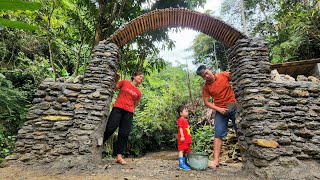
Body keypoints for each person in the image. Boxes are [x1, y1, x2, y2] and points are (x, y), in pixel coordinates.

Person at [196, 65, 237, 169]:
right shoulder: (206, 87)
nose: (206, 76)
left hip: (233, 105)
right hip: (220, 109)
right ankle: (215, 161)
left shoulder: (223, 75)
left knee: (241, 130)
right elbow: (206, 102)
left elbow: (236, 77)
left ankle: (247, 158)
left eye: (206, 73)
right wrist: (218, 109)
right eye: (203, 76)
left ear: (209, 70)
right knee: (218, 134)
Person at [103, 71, 144, 165]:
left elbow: (135, 104)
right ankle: (98, 146)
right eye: (140, 76)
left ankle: (119, 156)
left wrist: (129, 108)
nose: (141, 78)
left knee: (124, 133)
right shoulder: (124, 82)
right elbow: (115, 87)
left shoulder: (138, 92)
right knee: (110, 128)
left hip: (129, 112)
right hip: (117, 109)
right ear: (134, 76)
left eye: (142, 78)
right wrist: (116, 79)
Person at [177, 105, 192, 170]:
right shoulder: (181, 119)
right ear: (181, 113)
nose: (187, 112)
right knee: (181, 150)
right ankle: (181, 164)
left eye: (187, 111)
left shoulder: (185, 120)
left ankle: (185, 162)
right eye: (185, 111)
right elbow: (180, 128)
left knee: (186, 150)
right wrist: (182, 136)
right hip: (182, 138)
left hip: (186, 138)